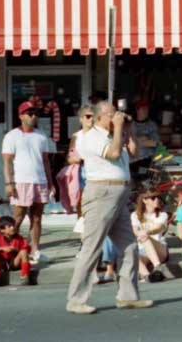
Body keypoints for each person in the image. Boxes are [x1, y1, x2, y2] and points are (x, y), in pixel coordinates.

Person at [67, 100, 151, 315]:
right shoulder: (88, 138)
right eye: (111, 114)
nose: (116, 117)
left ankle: (128, 296)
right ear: (99, 118)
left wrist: (128, 130)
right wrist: (120, 129)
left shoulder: (114, 134)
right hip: (101, 193)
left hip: (120, 194)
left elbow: (133, 152)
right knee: (92, 247)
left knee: (129, 246)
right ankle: (76, 299)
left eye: (116, 113)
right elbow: (113, 154)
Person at [2, 99, 55, 264]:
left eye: (35, 113)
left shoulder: (41, 135)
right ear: (21, 116)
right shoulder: (12, 136)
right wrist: (9, 183)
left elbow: (46, 161)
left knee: (37, 218)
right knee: (17, 218)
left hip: (39, 181)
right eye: (30, 113)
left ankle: (35, 250)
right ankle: (9, 250)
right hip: (21, 182)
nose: (33, 116)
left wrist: (50, 182)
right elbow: (7, 162)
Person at [130, 188, 171, 282]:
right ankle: (147, 276)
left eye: (158, 197)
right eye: (153, 198)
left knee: (146, 238)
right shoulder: (135, 215)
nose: (157, 200)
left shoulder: (162, 215)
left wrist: (146, 232)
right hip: (142, 249)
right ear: (144, 200)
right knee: (132, 255)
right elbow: (135, 231)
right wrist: (141, 233)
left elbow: (158, 228)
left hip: (159, 248)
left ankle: (157, 266)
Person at [0, 216, 35, 286]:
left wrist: (15, 249)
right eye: (9, 226)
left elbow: (27, 249)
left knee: (24, 252)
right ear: (2, 230)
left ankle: (24, 276)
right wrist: (2, 248)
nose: (12, 228)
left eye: (13, 226)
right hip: (2, 263)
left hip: (15, 263)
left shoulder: (19, 237)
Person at [129, 101, 160, 179]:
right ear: (137, 110)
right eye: (143, 109)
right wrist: (144, 138)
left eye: (147, 109)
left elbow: (155, 143)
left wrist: (136, 140)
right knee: (134, 181)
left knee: (143, 179)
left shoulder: (151, 125)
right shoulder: (130, 124)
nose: (146, 111)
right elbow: (127, 141)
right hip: (132, 161)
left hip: (147, 160)